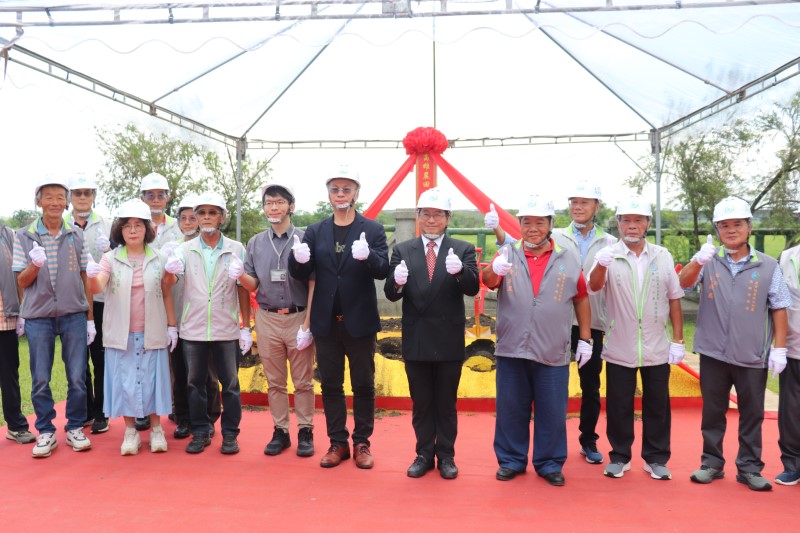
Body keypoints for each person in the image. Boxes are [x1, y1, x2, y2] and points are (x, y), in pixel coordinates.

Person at [485, 180, 612, 464]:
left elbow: (581, 296)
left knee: (552, 409)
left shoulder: (566, 258)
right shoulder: (507, 252)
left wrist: (586, 338)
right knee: (511, 407)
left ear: (551, 224)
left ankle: (550, 462)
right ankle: (511, 460)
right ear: (519, 224)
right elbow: (489, 281)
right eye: (527, 222)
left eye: (540, 222)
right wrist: (494, 269)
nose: (533, 228)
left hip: (552, 346)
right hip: (512, 346)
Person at [680, 196, 790, 492]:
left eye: (737, 224)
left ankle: (750, 468)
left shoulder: (768, 265)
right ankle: (711, 463)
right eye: (724, 225)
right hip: (713, 353)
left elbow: (779, 306)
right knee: (713, 412)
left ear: (749, 227)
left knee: (752, 414)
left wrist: (779, 348)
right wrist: (698, 260)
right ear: (717, 230)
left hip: (752, 354)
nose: (731, 230)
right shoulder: (708, 261)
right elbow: (682, 284)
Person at [289, 165, 389, 469]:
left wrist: (368, 256)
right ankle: (338, 442)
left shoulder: (373, 229)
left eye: (347, 189)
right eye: (335, 189)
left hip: (360, 321)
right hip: (326, 322)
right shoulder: (315, 230)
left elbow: (383, 270)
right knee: (331, 385)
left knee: (363, 385)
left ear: (356, 192)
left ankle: (362, 442)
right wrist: (299, 260)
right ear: (329, 194)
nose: (341, 194)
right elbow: (301, 273)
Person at [384, 188, 480, 479]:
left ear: (448, 217)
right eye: (426, 213)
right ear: (418, 216)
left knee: (446, 403)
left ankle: (446, 455)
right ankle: (424, 454)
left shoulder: (462, 248)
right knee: (422, 403)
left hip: (448, 337)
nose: (431, 219)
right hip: (417, 337)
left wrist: (461, 272)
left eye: (438, 214)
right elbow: (391, 294)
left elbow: (472, 288)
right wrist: (397, 282)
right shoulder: (403, 250)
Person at [587, 195, 684, 480]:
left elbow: (674, 298)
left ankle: (656, 458)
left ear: (647, 224)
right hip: (620, 343)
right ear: (618, 224)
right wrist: (601, 265)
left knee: (658, 405)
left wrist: (678, 340)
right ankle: (619, 456)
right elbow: (593, 287)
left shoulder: (662, 255)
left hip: (656, 344)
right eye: (626, 220)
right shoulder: (607, 254)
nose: (632, 225)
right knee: (619, 405)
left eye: (638, 220)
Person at [86, 199, 176, 455]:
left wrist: (172, 326)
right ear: (120, 230)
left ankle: (156, 429)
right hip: (120, 332)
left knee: (153, 380)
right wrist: (91, 275)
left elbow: (168, 288)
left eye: (138, 225)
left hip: (152, 330)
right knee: (125, 381)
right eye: (127, 226)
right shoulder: (110, 258)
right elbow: (98, 286)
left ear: (147, 229)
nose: (133, 230)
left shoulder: (159, 257)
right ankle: (130, 432)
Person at [165, 191, 251, 455]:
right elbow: (169, 284)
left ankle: (230, 434)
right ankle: (201, 431)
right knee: (195, 384)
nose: (206, 217)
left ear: (222, 217)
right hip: (193, 328)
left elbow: (243, 289)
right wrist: (169, 271)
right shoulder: (184, 250)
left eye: (212, 212)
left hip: (226, 328)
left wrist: (245, 327)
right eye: (201, 213)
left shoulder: (236, 248)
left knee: (231, 385)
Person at [13, 177, 93, 457]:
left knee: (77, 376)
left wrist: (90, 317)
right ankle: (46, 430)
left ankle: (75, 427)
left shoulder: (76, 235)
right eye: (49, 197)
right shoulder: (23, 235)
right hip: (39, 316)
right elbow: (21, 281)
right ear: (39, 201)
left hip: (74, 314)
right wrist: (35, 265)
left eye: (60, 197)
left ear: (66, 202)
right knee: (40, 378)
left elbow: (85, 276)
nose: (55, 203)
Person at [240, 184, 316, 457]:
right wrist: (239, 275)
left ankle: (306, 429)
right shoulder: (256, 243)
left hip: (298, 316)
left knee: (303, 381)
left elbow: (314, 282)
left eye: (279, 202)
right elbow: (252, 284)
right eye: (269, 202)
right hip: (267, 317)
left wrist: (308, 323)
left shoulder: (306, 238)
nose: (273, 207)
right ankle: (280, 430)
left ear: (291, 207)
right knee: (275, 381)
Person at [169, 195, 221, 440]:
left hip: (204, 322)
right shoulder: (173, 249)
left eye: (193, 217)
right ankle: (183, 417)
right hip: (179, 320)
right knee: (180, 373)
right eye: (184, 218)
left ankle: (209, 416)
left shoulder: (208, 248)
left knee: (207, 374)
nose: (189, 222)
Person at [65, 174, 113, 434]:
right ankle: (84, 411)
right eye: (77, 193)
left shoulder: (106, 223)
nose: (83, 197)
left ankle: (102, 412)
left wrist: (109, 250)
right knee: (77, 360)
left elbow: (120, 259)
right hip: (71, 302)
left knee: (100, 357)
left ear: (94, 196)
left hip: (101, 300)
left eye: (87, 193)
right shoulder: (61, 224)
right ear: (70, 197)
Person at [137, 171, 181, 430]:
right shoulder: (135, 224)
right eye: (150, 195)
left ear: (168, 197)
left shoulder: (178, 225)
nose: (155, 200)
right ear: (142, 197)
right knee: (143, 357)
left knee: (174, 357)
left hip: (172, 297)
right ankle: (143, 409)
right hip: (141, 300)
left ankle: (175, 405)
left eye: (160, 195)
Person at [1, 219, 35, 445]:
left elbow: (18, 275)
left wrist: (22, 310)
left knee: (9, 373)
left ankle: (16, 426)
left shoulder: (8, 234)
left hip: (5, 316)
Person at [777, 240, 800, 486]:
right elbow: (777, 301)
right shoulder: (787, 257)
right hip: (794, 349)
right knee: (791, 411)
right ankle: (793, 465)